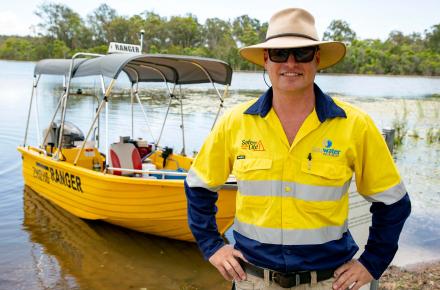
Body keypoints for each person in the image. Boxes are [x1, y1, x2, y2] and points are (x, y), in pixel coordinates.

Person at [185, 7, 411, 290]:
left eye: (302, 53)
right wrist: (212, 246)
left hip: (328, 281)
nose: (290, 62)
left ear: (316, 59)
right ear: (266, 60)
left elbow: (394, 202)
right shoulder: (234, 123)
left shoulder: (355, 125)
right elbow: (197, 186)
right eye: (280, 54)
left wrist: (372, 263)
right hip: (252, 280)